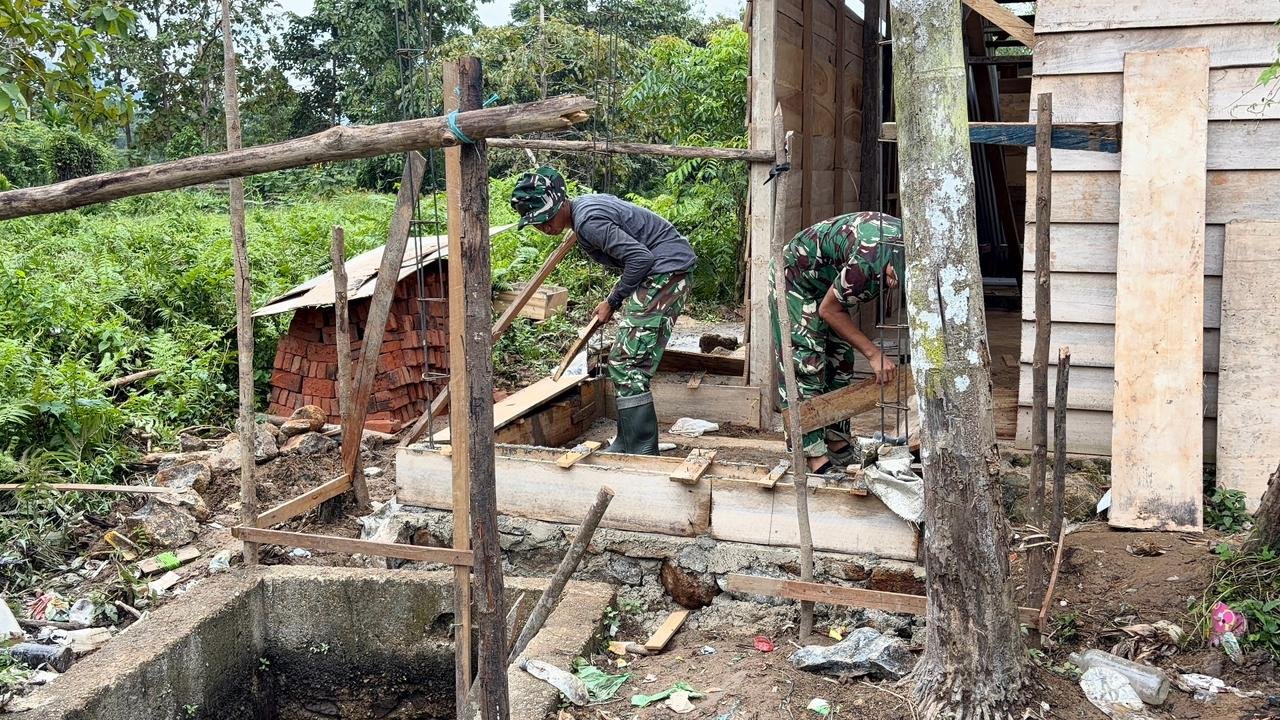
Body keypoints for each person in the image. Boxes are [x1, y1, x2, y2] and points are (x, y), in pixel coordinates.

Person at [510, 166, 696, 455]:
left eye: (544, 219)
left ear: (559, 204)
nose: (543, 228)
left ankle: (641, 449)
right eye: (536, 223)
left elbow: (640, 258)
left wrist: (613, 300)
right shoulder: (584, 211)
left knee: (627, 363)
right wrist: (613, 299)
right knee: (626, 361)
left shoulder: (588, 221)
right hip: (664, 270)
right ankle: (627, 441)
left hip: (665, 272)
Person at [771, 211, 904, 473]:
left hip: (826, 285)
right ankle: (814, 456)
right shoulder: (869, 261)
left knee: (840, 361)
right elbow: (829, 310)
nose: (891, 284)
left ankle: (837, 442)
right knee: (806, 364)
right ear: (891, 261)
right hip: (795, 278)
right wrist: (874, 354)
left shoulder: (914, 245)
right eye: (892, 276)